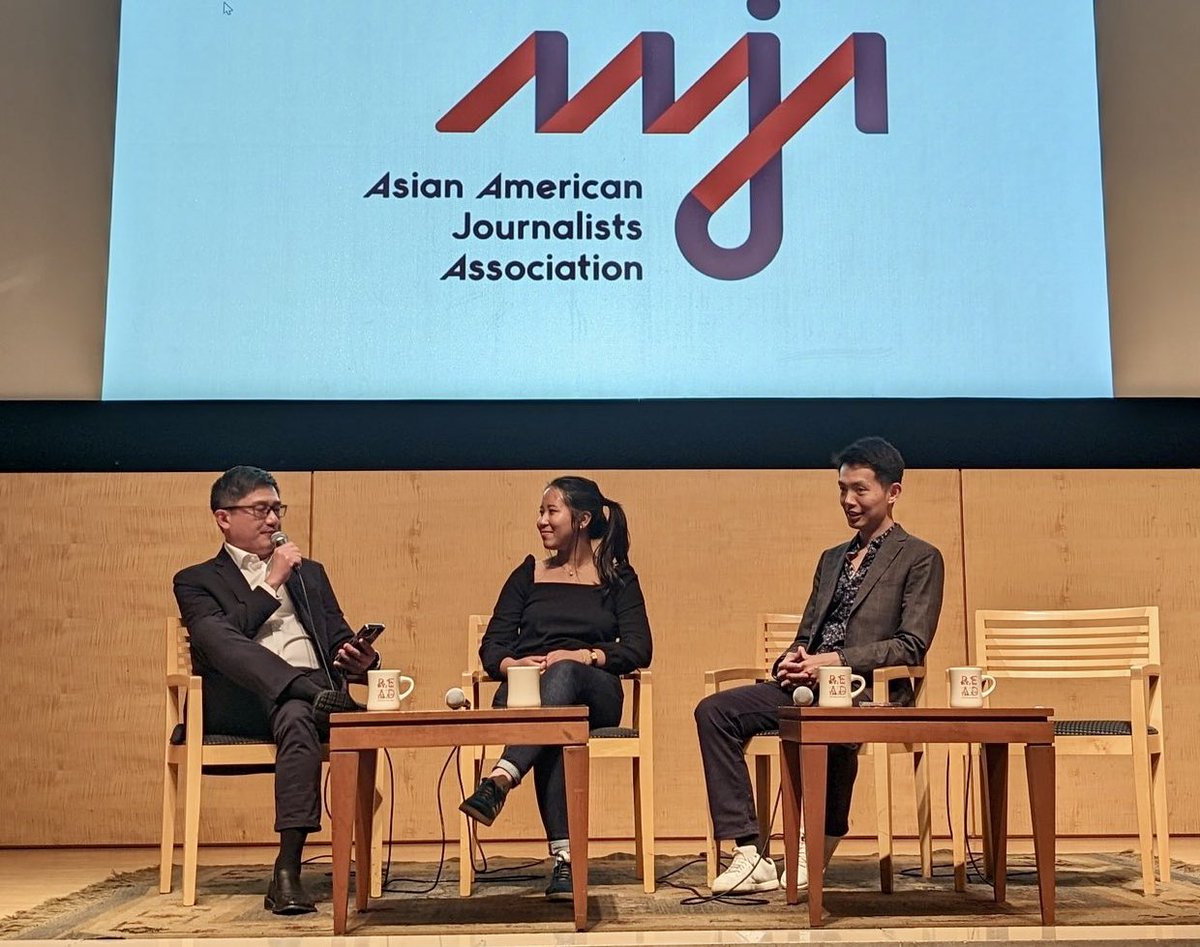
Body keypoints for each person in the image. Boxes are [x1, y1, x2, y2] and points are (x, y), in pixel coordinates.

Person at [694, 437, 944, 895]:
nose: (848, 500)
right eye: (842, 489)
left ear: (893, 492)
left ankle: (815, 844)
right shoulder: (832, 559)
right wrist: (791, 660)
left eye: (860, 490)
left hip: (870, 688)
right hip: (810, 682)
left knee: (830, 716)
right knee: (714, 711)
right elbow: (808, 633)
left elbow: (911, 645)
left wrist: (836, 662)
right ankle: (750, 852)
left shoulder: (920, 557)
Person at [173, 466, 379, 915]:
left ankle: (287, 870)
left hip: (308, 702)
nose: (273, 520)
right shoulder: (196, 580)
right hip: (243, 702)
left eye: (276, 509)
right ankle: (304, 690)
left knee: (297, 713)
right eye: (260, 510)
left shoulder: (311, 574)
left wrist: (361, 658)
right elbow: (221, 642)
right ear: (223, 518)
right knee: (223, 640)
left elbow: (336, 638)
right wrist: (272, 582)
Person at [459, 476, 653, 900]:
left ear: (582, 519)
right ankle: (565, 862)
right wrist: (513, 664)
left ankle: (501, 778)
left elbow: (639, 648)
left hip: (595, 692)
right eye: (541, 512)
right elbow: (493, 645)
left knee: (561, 683)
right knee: (554, 724)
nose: (541, 521)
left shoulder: (617, 578)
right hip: (528, 692)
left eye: (551, 512)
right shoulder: (527, 574)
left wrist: (582, 656)